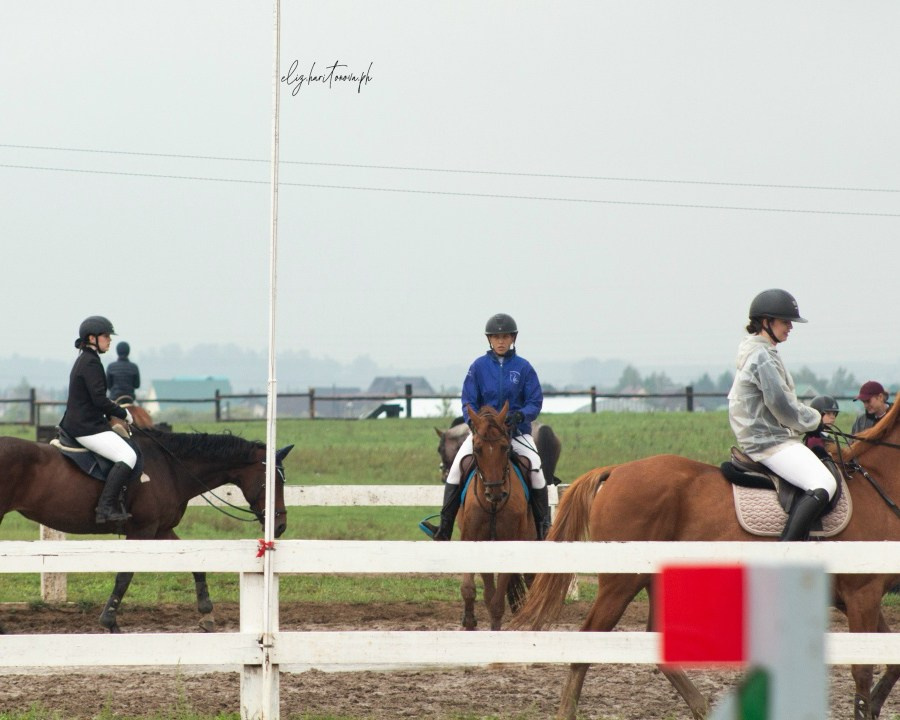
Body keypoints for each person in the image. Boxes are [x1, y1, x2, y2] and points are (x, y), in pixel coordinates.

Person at [423, 313, 549, 541]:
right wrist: (472, 422)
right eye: (496, 337)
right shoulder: (478, 367)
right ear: (489, 340)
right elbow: (468, 400)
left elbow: (535, 401)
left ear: (513, 339)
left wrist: (520, 415)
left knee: (536, 468)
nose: (501, 341)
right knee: (455, 471)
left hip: (516, 432)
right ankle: (444, 528)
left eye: (505, 336)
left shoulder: (524, 368)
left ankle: (545, 529)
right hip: (483, 434)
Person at [727, 289, 837, 541]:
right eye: (786, 321)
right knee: (824, 483)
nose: (790, 327)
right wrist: (815, 420)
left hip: (769, 437)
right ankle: (787, 551)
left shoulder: (759, 351)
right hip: (769, 442)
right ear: (767, 321)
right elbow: (782, 405)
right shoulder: (762, 357)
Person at [59, 316, 137, 524]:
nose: (109, 340)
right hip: (85, 428)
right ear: (92, 338)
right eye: (106, 336)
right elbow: (100, 400)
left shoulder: (87, 359)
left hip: (86, 423)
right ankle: (105, 508)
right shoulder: (90, 362)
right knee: (128, 456)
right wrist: (123, 413)